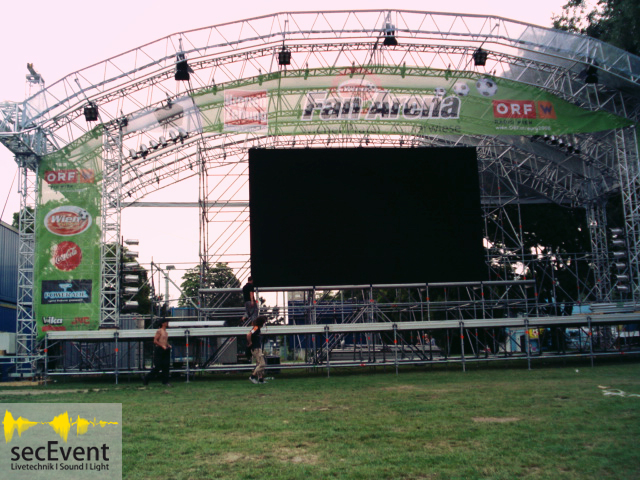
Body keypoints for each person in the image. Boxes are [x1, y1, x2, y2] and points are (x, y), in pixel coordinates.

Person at [143, 318, 172, 387]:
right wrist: (162, 346)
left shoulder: (166, 332)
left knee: (166, 366)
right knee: (158, 367)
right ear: (163, 323)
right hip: (159, 350)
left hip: (165, 349)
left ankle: (165, 381)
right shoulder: (159, 331)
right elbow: (155, 341)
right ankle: (147, 378)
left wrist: (168, 345)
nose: (167, 323)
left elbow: (164, 341)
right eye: (166, 322)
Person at [247, 315, 268, 384]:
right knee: (262, 364)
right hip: (256, 348)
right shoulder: (256, 328)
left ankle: (260, 379)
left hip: (257, 348)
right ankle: (252, 376)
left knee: (259, 363)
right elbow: (248, 334)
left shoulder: (257, 328)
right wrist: (250, 343)